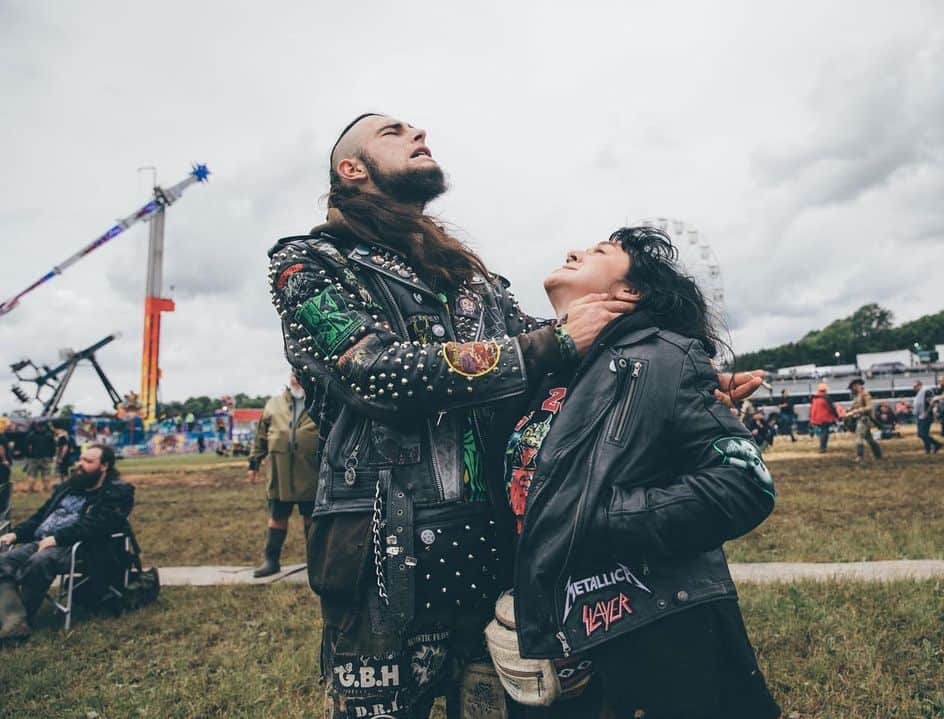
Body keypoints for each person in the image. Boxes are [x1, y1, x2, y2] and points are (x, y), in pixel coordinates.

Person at [269, 113, 763, 718]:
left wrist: (683, 384)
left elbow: (566, 362)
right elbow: (372, 371)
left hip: (494, 557)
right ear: (353, 169)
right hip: (382, 561)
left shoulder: (472, 279)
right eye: (394, 133)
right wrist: (550, 344)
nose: (419, 132)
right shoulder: (308, 263)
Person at [501, 226, 779, 718]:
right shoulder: (541, 366)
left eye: (598, 252)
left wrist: (600, 518)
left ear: (628, 292)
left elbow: (744, 483)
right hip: (550, 636)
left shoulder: (665, 356)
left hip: (644, 627)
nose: (572, 251)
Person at [0, 444, 134, 641]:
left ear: (104, 466)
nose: (80, 464)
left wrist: (57, 538)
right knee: (3, 561)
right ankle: (15, 618)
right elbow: (40, 517)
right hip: (42, 540)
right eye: (81, 459)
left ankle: (20, 619)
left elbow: (96, 526)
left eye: (88, 461)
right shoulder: (69, 488)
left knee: (39, 561)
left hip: (80, 548)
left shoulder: (115, 494)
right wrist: (16, 535)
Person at [247, 373, 319, 577]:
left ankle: (316, 563)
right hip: (280, 472)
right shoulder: (273, 404)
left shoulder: (319, 402)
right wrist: (254, 463)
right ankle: (271, 561)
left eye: (300, 374)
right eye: (294, 375)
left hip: (310, 471)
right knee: (277, 517)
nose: (296, 379)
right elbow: (261, 436)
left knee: (312, 519)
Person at [846, 378, 882, 462]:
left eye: (852, 387)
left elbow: (869, 407)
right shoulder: (857, 395)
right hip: (860, 419)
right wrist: (850, 410)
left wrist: (856, 411)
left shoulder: (865, 394)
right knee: (869, 439)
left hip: (865, 419)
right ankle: (878, 455)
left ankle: (860, 456)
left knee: (859, 437)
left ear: (856, 385)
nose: (851, 390)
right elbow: (856, 406)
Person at [912, 380, 943, 454]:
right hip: (921, 415)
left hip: (926, 415)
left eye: (915, 386)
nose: (914, 388)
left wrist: (927, 412)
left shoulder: (926, 391)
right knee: (923, 434)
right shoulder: (920, 393)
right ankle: (928, 449)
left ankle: (937, 444)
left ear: (920, 385)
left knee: (922, 434)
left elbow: (932, 402)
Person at [24, 421, 55, 493]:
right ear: (44, 426)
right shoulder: (49, 435)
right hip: (46, 457)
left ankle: (30, 489)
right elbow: (52, 447)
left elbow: (27, 447)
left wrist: (28, 455)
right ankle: (47, 489)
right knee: (46, 473)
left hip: (34, 457)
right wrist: (51, 456)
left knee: (32, 474)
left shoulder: (31, 435)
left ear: (36, 426)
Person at [809, 383, 839, 453]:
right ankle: (822, 448)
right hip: (825, 418)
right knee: (824, 432)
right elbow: (832, 408)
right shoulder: (826, 398)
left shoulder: (815, 398)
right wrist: (837, 416)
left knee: (823, 432)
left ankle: (823, 447)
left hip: (817, 418)